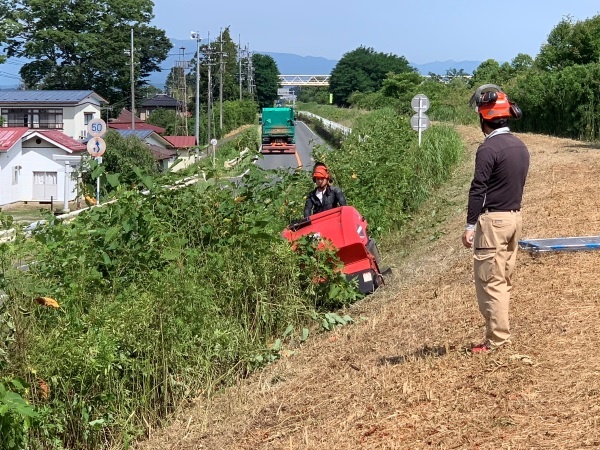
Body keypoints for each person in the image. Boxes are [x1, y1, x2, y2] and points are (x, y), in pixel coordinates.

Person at [462, 84, 530, 353]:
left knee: (491, 282)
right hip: (515, 218)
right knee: (504, 279)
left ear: (484, 119)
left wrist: (469, 225)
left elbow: (478, 188)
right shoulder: (519, 146)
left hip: (493, 223)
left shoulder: (488, 150)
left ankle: (498, 340)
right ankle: (498, 334)